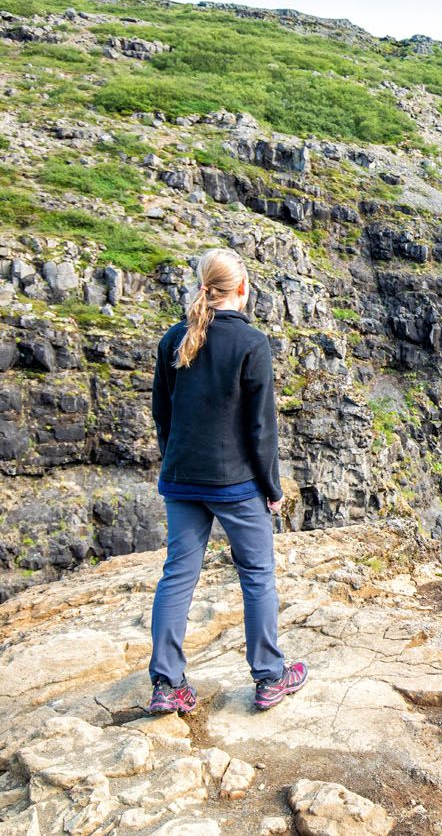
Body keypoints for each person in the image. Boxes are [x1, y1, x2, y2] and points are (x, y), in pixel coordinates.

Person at [147, 247, 307, 714]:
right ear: (242, 289)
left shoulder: (173, 339)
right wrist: (272, 489)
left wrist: (175, 463)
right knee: (257, 576)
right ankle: (269, 678)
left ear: (204, 287)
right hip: (235, 483)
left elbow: (163, 414)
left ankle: (167, 685)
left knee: (177, 576)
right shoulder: (251, 343)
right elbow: (260, 428)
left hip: (182, 478)